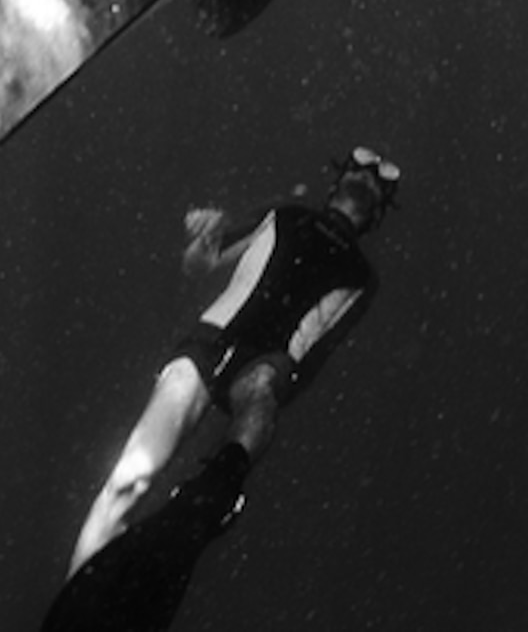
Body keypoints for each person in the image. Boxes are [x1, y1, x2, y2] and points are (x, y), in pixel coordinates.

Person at [44, 147, 402, 631]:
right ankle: (74, 601)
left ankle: (220, 480)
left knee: (262, 393)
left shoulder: (362, 278)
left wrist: (277, 388)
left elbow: (317, 351)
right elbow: (199, 263)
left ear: (380, 209)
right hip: (209, 343)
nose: (367, 175)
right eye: (359, 167)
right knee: (127, 481)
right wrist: (205, 236)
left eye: (379, 177)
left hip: (267, 364)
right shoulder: (284, 216)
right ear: (337, 180)